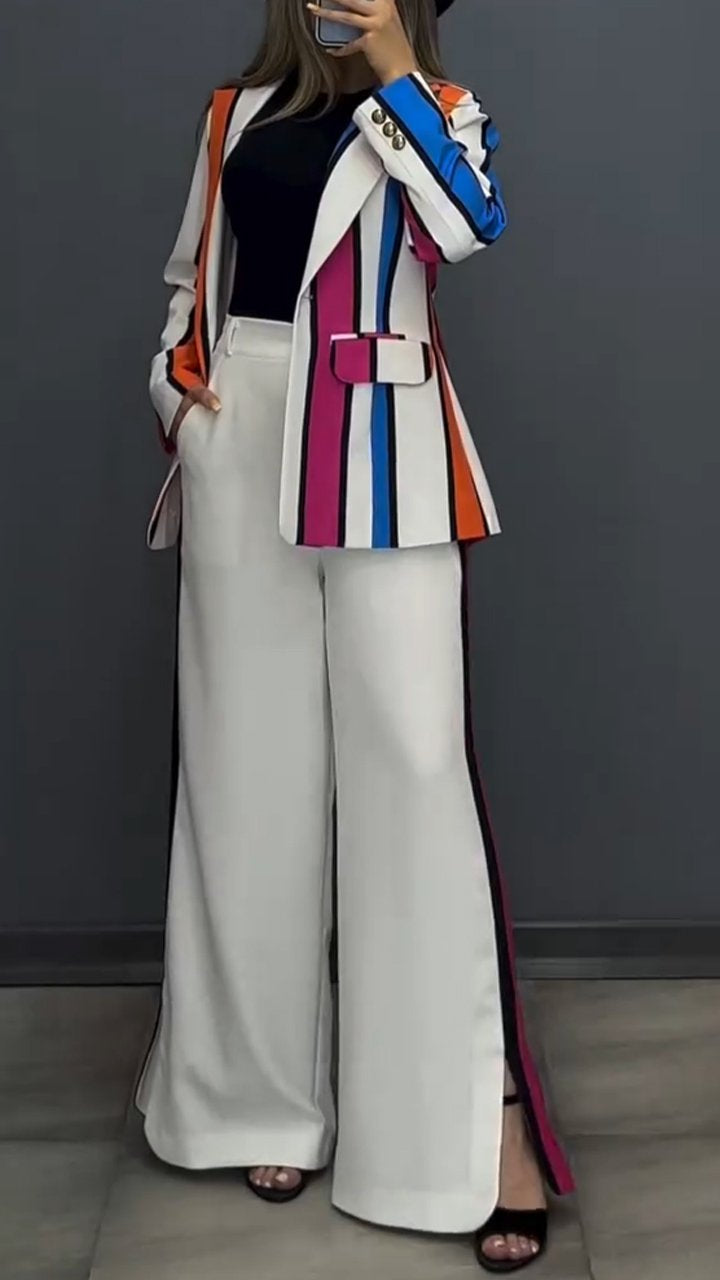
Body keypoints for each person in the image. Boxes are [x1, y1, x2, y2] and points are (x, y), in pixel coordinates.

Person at [135, 0, 574, 1270]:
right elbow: (191, 280)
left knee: (413, 779)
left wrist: (392, 68)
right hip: (243, 449)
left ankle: (470, 1129)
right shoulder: (234, 115)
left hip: (385, 451)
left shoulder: (442, 112)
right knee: (245, 781)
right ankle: (260, 1096)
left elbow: (466, 226)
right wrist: (182, 397)